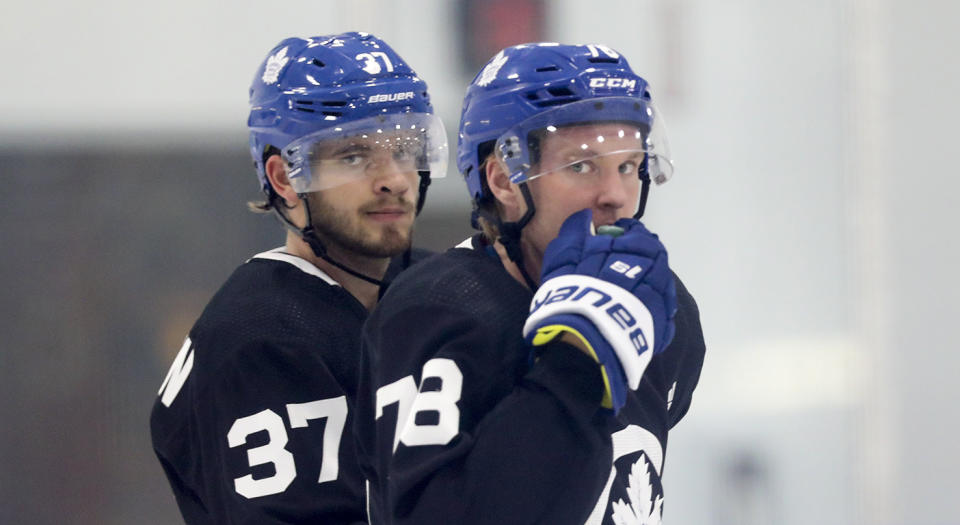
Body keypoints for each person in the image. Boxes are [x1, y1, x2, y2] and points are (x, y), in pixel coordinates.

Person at [354, 42, 705, 524]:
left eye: (627, 166)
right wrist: (578, 360)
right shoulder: (435, 311)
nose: (615, 195)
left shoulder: (666, 307)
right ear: (503, 181)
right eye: (582, 166)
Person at [149, 32, 447, 524]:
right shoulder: (258, 338)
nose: (392, 178)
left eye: (404, 149)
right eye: (353, 156)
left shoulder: (441, 287)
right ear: (286, 178)